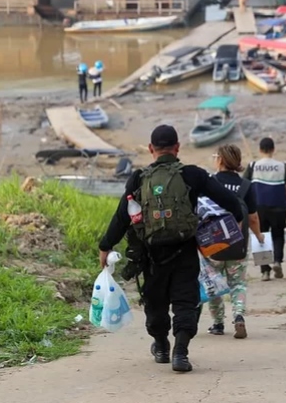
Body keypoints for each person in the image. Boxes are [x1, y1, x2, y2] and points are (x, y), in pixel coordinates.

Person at [98, 125, 243, 373]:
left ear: (151, 149)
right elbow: (230, 202)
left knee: (155, 303)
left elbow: (122, 215)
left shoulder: (138, 178)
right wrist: (236, 220)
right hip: (184, 250)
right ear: (177, 148)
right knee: (185, 302)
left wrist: (105, 246)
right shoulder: (193, 175)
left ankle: (162, 345)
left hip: (151, 254)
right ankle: (181, 352)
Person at [206, 145, 265, 339]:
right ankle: (238, 316)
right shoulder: (246, 186)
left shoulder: (210, 183)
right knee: (238, 283)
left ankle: (218, 323)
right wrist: (259, 236)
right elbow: (253, 217)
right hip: (238, 243)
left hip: (212, 245)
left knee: (213, 283)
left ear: (220, 160)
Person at [243, 137, 286, 281]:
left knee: (261, 236)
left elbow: (244, 186)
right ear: (273, 149)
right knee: (278, 236)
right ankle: (277, 261)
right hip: (279, 207)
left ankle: (265, 271)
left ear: (260, 150)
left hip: (259, 207)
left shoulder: (253, 166)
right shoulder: (281, 166)